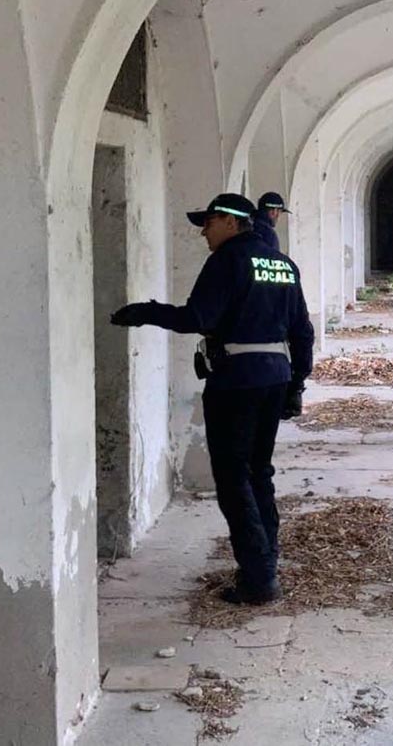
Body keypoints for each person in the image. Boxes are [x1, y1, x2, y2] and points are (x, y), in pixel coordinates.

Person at [111, 192, 314, 605]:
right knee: (259, 472)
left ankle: (258, 578)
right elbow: (303, 331)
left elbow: (198, 318)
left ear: (228, 221)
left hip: (236, 380)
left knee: (233, 476)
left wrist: (146, 312)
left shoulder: (227, 260)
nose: (203, 231)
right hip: (274, 377)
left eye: (207, 222)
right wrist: (297, 385)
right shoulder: (282, 264)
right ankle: (266, 559)